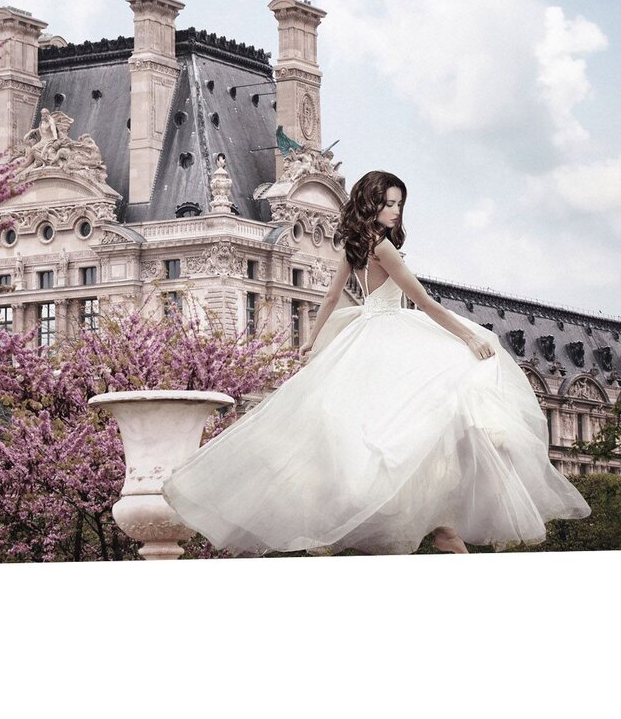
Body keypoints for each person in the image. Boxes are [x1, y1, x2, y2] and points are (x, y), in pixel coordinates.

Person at [160, 170, 591, 555]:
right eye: (389, 203)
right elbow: (423, 302)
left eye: (399, 204)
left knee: (383, 431)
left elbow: (329, 299)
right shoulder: (383, 249)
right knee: (437, 412)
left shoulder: (355, 246)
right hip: (391, 332)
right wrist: (468, 336)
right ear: (371, 204)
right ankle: (442, 522)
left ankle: (431, 522)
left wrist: (310, 345)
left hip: (365, 335)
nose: (395, 211)